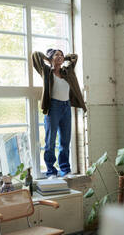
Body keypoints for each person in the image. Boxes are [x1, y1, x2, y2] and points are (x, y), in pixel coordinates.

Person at [32, 49, 87, 179]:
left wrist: (63, 58)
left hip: (66, 107)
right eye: (57, 55)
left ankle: (65, 170)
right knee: (50, 141)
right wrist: (48, 60)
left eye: (61, 55)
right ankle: (51, 171)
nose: (60, 57)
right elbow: (35, 56)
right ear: (51, 58)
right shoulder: (46, 71)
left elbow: (74, 57)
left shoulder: (67, 72)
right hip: (53, 107)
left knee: (65, 141)